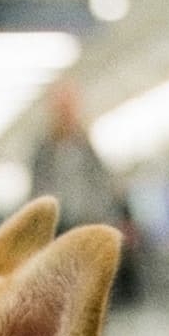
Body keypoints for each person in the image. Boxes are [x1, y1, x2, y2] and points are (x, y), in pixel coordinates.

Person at [31, 81, 139, 302]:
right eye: (61, 106)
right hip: (57, 230)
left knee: (88, 293)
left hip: (87, 225)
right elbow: (36, 191)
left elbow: (102, 188)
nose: (66, 112)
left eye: (69, 106)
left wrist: (110, 224)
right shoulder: (44, 149)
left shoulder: (87, 146)